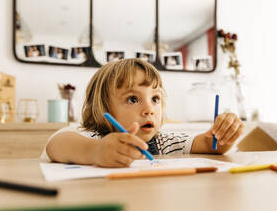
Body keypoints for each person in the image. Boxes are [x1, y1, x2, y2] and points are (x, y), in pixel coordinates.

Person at [41, 58, 245, 168]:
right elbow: (56, 144)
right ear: (102, 107)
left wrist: (224, 134)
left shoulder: (164, 141)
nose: (149, 109)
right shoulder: (96, 138)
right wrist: (95, 151)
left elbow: (209, 145)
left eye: (155, 98)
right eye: (132, 99)